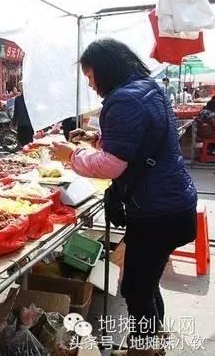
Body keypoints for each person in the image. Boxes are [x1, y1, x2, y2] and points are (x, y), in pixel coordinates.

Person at [51, 38, 196, 355]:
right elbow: (139, 141)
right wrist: (97, 138)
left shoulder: (124, 100)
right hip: (173, 202)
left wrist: (71, 154)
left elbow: (113, 165)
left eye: (90, 77)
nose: (90, 84)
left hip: (157, 209)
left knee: (136, 287)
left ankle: (143, 350)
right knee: (146, 280)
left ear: (105, 70)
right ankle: (153, 343)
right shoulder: (146, 88)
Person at [12, 82, 34, 146]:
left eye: (23, 86)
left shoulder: (31, 98)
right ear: (19, 88)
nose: (22, 88)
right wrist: (14, 122)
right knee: (22, 141)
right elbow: (16, 112)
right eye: (21, 87)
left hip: (29, 124)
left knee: (29, 142)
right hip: (21, 124)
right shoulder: (17, 99)